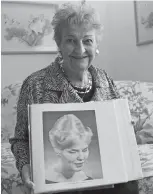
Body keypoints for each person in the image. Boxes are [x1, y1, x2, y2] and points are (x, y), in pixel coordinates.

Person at [9, 1, 138, 194]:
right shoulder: (35, 84)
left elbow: (117, 134)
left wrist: (127, 129)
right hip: (60, 180)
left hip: (107, 177)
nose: (80, 49)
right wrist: (24, 166)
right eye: (70, 40)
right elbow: (20, 140)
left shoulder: (105, 79)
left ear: (96, 45)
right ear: (59, 44)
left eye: (87, 40)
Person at [45, 114, 93, 183]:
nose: (81, 157)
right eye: (73, 151)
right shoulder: (43, 182)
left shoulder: (89, 181)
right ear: (57, 150)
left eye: (85, 150)